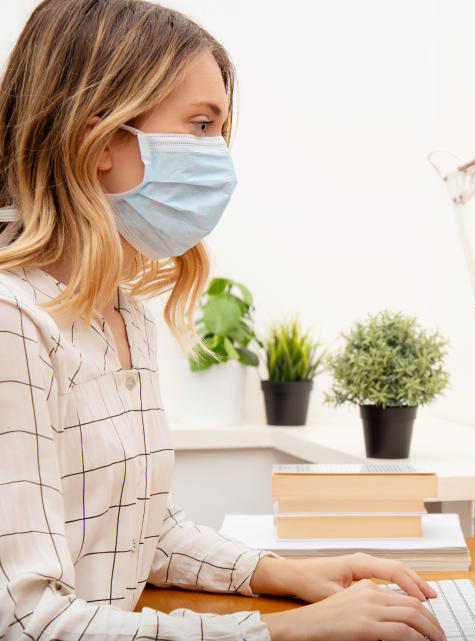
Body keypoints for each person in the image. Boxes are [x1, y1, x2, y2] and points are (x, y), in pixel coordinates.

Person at [0, 1, 445, 640]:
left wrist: (285, 573)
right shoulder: (14, 321)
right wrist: (281, 632)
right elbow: (29, 622)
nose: (220, 158)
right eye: (201, 124)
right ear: (98, 141)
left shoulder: (125, 314)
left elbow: (139, 530)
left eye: (220, 129)